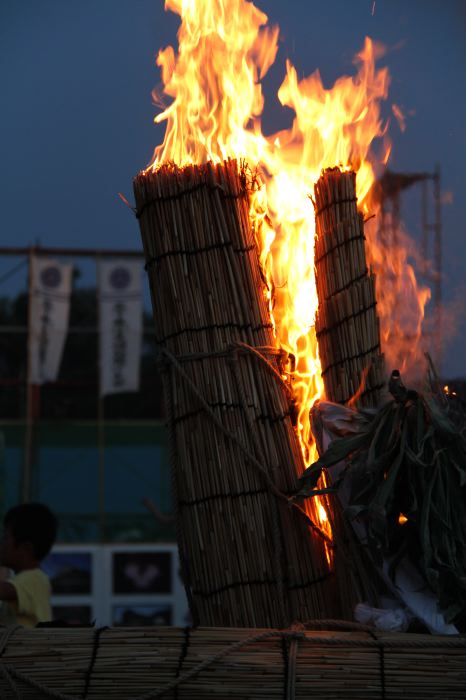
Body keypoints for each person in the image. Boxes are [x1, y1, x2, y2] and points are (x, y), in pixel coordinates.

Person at [0, 502, 57, 627]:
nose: (2, 544)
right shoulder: (26, 579)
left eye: (5, 537)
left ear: (26, 548)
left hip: (29, 646)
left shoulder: (34, 579)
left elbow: (4, 590)